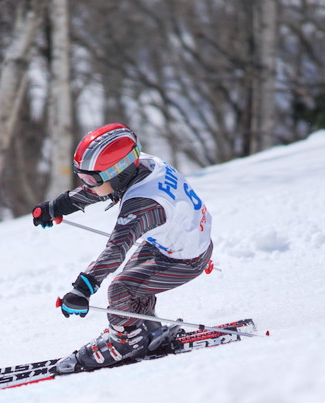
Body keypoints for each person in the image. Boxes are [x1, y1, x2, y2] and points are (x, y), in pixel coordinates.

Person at [32, 123, 213, 374]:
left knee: (121, 288)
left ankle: (127, 342)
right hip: (174, 243)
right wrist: (57, 207)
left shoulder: (142, 204)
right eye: (82, 177)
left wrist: (82, 289)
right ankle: (146, 329)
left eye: (90, 179)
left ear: (118, 173)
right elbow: (103, 188)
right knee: (132, 284)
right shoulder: (143, 164)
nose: (87, 185)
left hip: (185, 259)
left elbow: (116, 249)